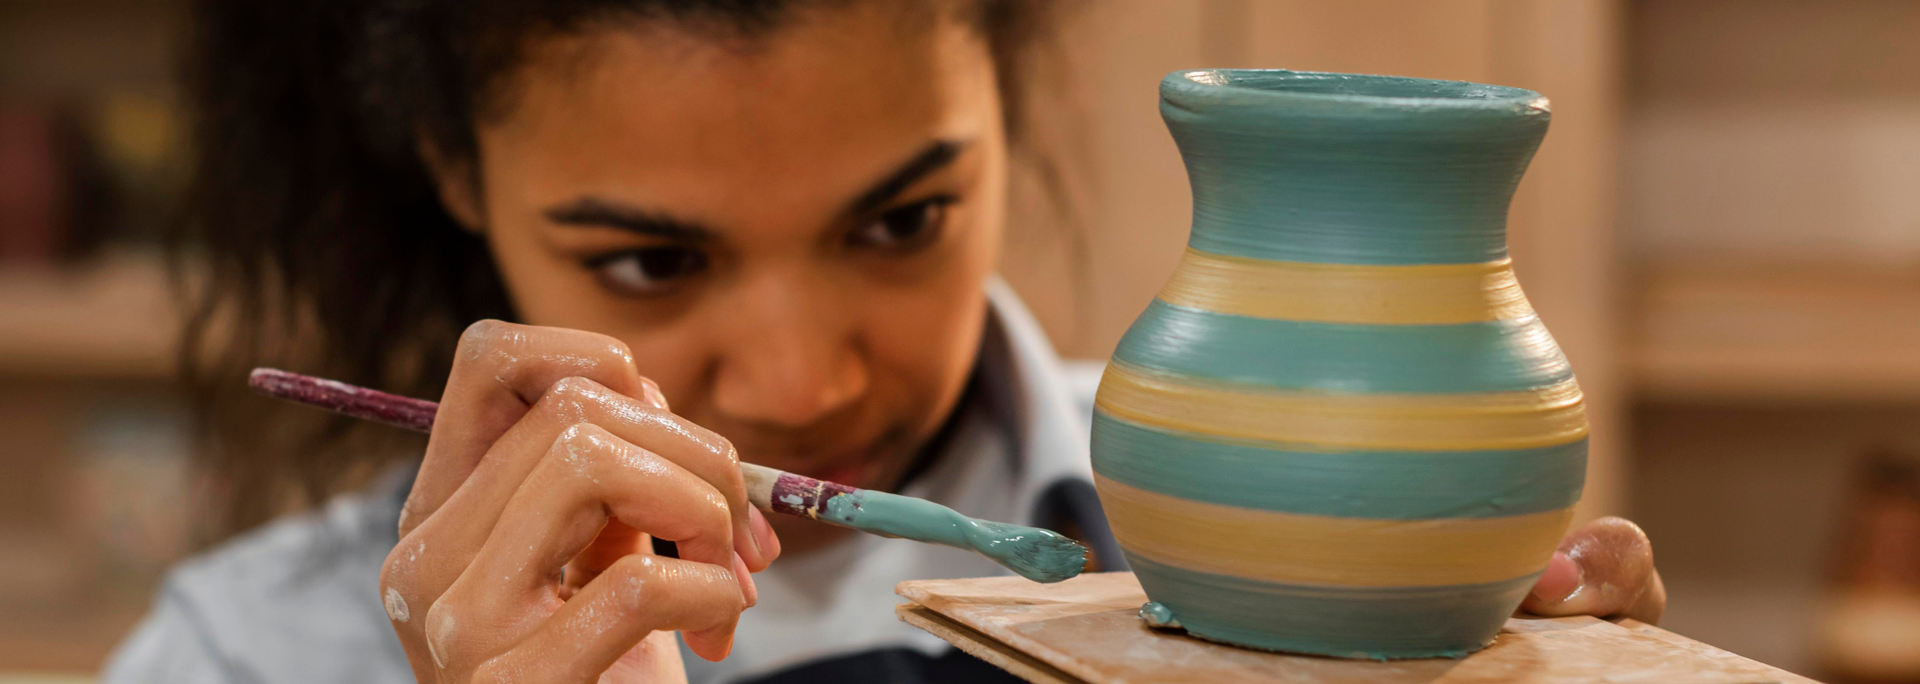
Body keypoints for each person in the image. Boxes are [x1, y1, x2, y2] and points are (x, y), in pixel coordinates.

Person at [106, 1, 1667, 682]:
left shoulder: (1248, 517)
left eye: (900, 222)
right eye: (652, 261)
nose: (802, 385)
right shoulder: (241, 659)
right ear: (455, 172)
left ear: (1003, 97)